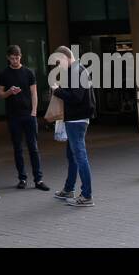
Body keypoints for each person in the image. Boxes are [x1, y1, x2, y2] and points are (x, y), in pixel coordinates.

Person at [0, 46, 47, 191]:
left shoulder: (29, 72)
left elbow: (34, 93)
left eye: (17, 58)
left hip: (28, 115)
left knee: (33, 147)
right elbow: (0, 94)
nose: (15, 60)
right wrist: (9, 92)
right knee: (17, 148)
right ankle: (22, 178)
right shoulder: (4, 74)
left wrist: (34, 112)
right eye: (12, 58)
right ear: (8, 58)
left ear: (21, 56)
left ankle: (38, 179)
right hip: (13, 116)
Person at [52, 46, 94, 208]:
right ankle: (69, 189)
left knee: (79, 155)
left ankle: (87, 195)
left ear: (66, 57)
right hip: (78, 118)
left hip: (77, 119)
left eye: (59, 61)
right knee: (73, 155)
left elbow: (75, 97)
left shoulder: (76, 71)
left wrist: (57, 91)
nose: (58, 65)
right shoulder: (77, 70)